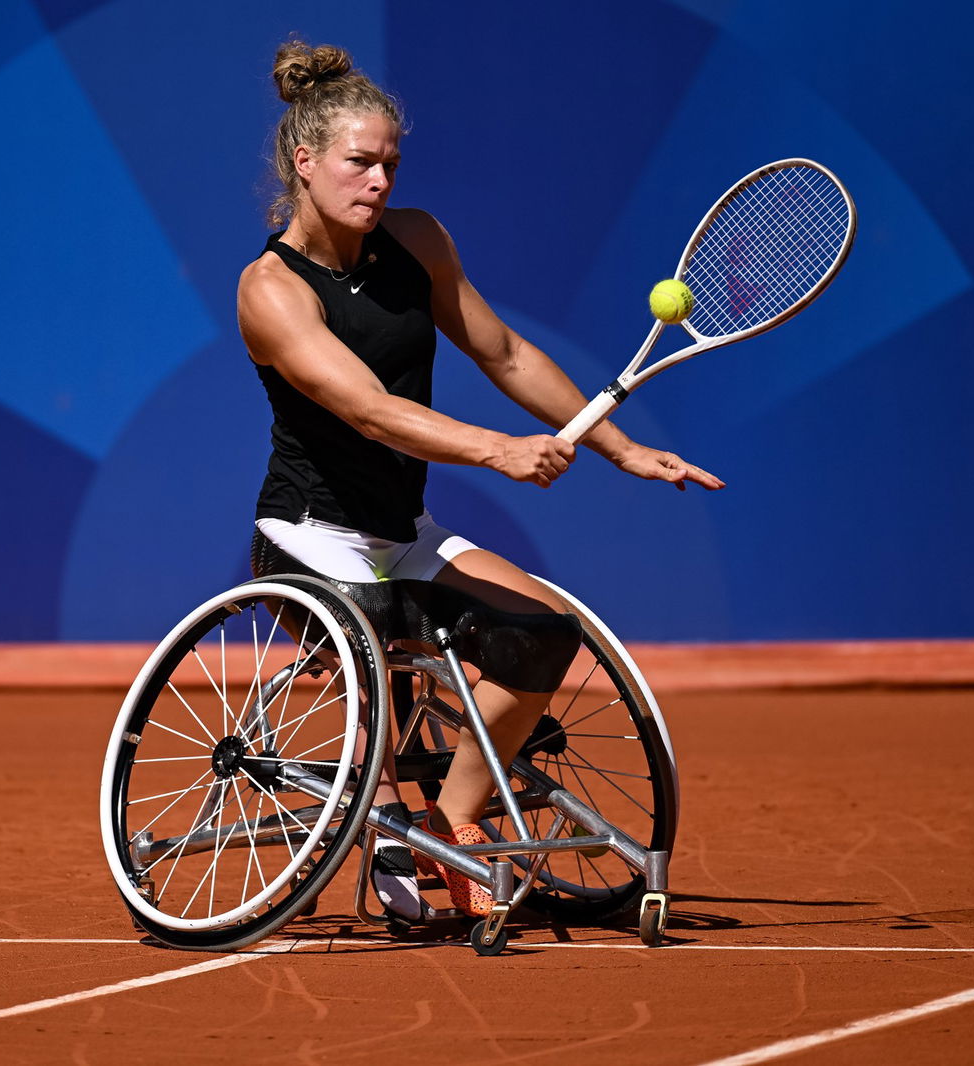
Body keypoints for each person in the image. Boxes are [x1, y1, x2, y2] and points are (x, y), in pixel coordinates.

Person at [239, 40, 722, 919]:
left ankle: (457, 815)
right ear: (303, 162)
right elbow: (370, 411)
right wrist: (499, 451)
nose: (380, 182)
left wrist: (618, 448)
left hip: (401, 531)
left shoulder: (417, 241)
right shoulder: (271, 290)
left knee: (543, 628)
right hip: (310, 538)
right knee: (374, 641)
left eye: (390, 163)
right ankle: (385, 820)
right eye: (360, 162)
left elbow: (501, 351)